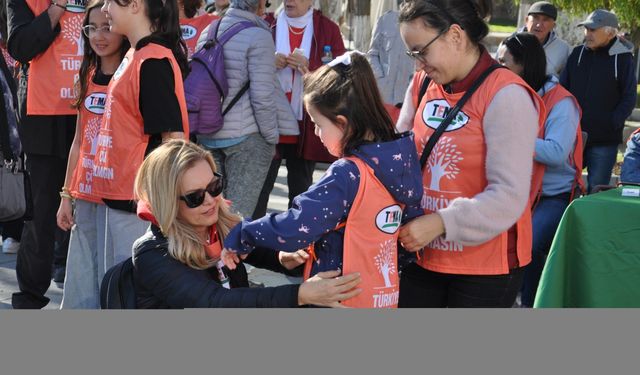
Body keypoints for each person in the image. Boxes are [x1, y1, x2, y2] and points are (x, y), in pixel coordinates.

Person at [222, 52, 423, 308]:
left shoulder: (347, 173)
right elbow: (408, 239)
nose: (316, 133)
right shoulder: (401, 161)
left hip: (338, 295)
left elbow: (297, 224)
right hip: (382, 293)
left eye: (318, 123)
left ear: (342, 123)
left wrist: (243, 233)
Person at [396, 0, 544, 308]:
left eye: (422, 51)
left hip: (485, 267)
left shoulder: (507, 95)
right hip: (422, 254)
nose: (418, 64)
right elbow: (401, 155)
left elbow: (508, 197)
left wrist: (439, 223)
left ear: (455, 36)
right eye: (412, 53)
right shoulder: (423, 83)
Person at [132, 139, 362, 308]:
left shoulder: (217, 225)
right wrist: (300, 294)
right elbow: (214, 303)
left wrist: (282, 258)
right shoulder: (152, 254)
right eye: (195, 197)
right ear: (167, 202)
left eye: (214, 187)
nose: (211, 200)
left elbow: (252, 250)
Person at [88, 0, 189, 277]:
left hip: (138, 202)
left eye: (110, 1)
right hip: (120, 195)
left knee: (131, 294)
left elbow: (173, 139)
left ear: (134, 5)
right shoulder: (136, 54)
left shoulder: (152, 60)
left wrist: (168, 204)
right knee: (115, 289)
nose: (105, 8)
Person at [497, 32, 583, 308]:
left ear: (523, 65)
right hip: (515, 192)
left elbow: (557, 153)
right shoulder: (509, 94)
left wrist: (513, 137)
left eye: (504, 62)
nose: (498, 68)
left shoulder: (562, 103)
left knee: (529, 246)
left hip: (551, 196)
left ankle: (532, 303)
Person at [8, 0, 81, 308]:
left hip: (90, 110)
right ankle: (30, 296)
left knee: (86, 207)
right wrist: (57, 9)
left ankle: (78, 282)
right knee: (41, 211)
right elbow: (21, 46)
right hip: (42, 114)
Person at [56, 0, 129, 309]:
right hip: (86, 192)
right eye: (91, 28)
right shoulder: (85, 75)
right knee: (83, 274)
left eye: (107, 27)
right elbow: (77, 141)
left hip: (119, 195)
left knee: (114, 275)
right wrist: (66, 195)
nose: (99, 36)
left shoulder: (130, 75)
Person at [194, 0, 289, 218]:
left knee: (210, 214)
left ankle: (211, 252)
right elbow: (262, 96)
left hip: (208, 132)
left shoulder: (211, 29)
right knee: (236, 218)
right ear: (259, 7)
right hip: (246, 137)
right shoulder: (259, 36)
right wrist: (271, 138)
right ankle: (229, 253)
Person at [253, 0, 347, 219]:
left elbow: (343, 74)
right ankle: (254, 247)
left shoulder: (328, 28)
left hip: (306, 124)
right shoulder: (266, 24)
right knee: (259, 191)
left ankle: (295, 246)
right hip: (269, 121)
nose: (289, 1)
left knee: (301, 191)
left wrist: (311, 66)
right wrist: (266, 60)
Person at [560, 9, 637, 193]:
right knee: (564, 188)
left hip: (604, 140)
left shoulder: (624, 59)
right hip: (573, 136)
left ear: (610, 33)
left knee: (596, 189)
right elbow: (562, 89)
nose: (588, 34)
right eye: (586, 29)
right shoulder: (577, 53)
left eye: (593, 30)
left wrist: (612, 122)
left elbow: (629, 97)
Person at [367, 0, 414, 123]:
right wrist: (379, 79)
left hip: (408, 102)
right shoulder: (385, 20)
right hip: (382, 99)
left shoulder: (426, 25)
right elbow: (372, 54)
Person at [520, 1, 571, 77]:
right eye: (535, 18)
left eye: (545, 20)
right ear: (527, 20)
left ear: (553, 26)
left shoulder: (563, 49)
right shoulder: (510, 43)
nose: (539, 24)